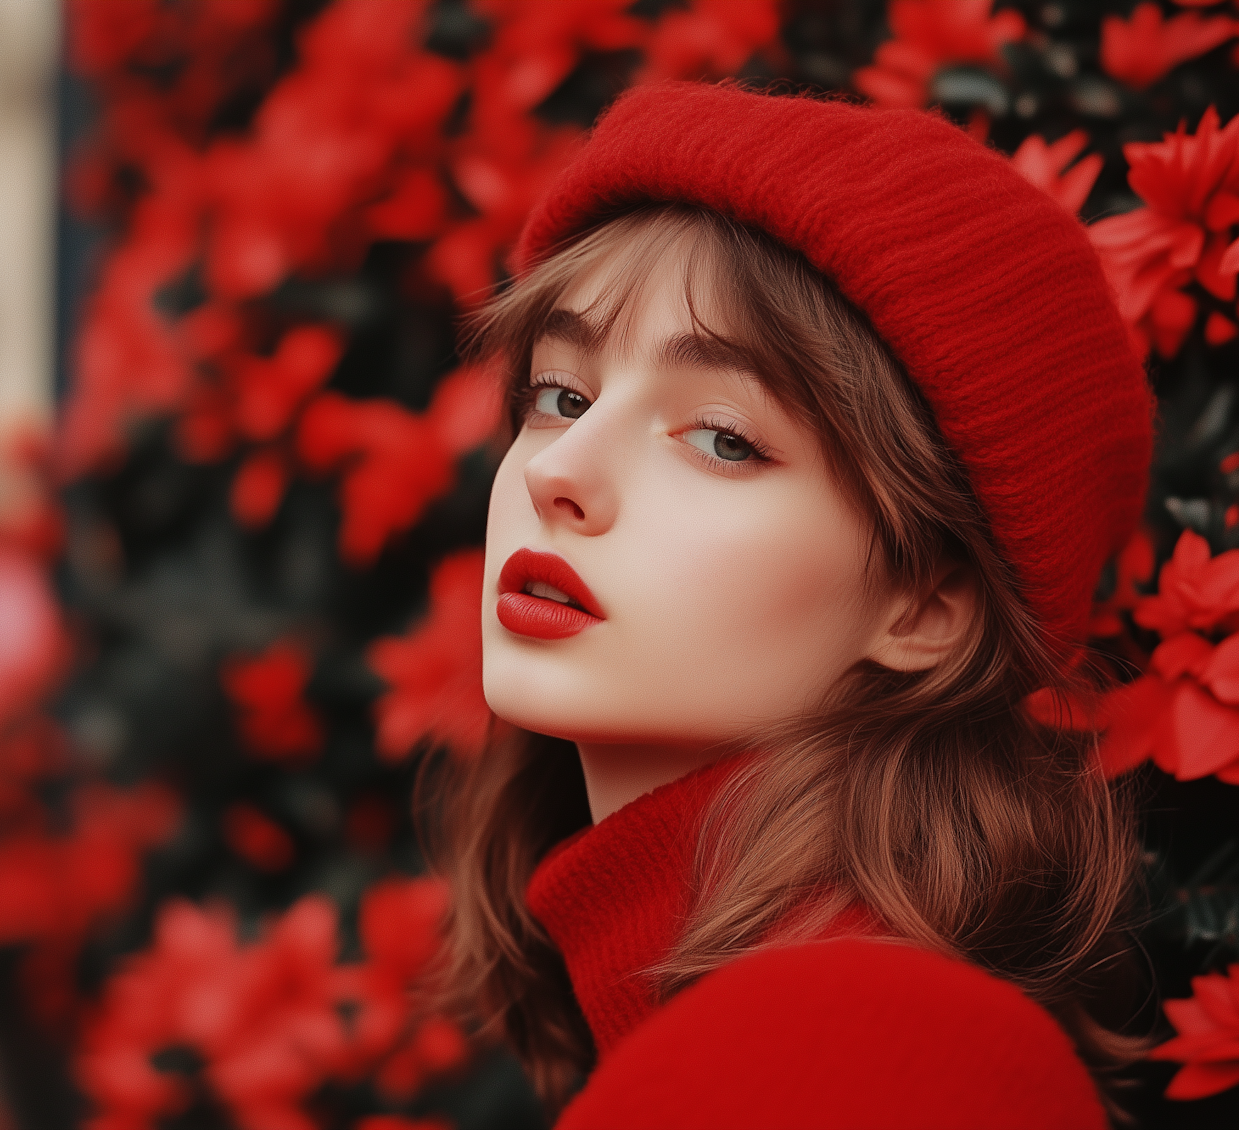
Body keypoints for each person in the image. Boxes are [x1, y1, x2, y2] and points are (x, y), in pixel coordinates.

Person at [428, 80, 1154, 1129]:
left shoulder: (865, 1047)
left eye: (723, 437)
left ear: (927, 606)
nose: (560, 470)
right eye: (560, 396)